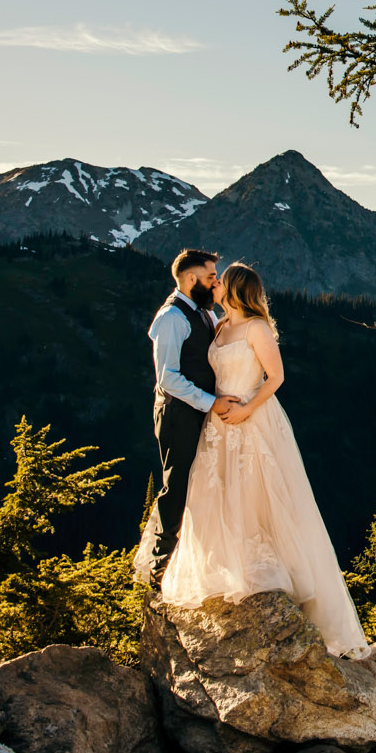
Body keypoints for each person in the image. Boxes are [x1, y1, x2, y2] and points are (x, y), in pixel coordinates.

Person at [144, 260, 372, 658]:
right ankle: (227, 568)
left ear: (232, 289)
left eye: (220, 281)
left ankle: (268, 574)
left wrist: (247, 408)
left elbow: (277, 377)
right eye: (212, 278)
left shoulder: (256, 327)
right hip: (218, 423)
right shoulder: (217, 325)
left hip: (251, 418)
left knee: (258, 493)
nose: (214, 284)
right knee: (216, 493)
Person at [137, 248, 236, 586]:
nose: (215, 283)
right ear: (191, 279)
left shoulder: (203, 314)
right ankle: (161, 562)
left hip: (201, 409)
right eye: (210, 277)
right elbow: (168, 377)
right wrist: (211, 402)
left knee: (202, 479)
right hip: (178, 412)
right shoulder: (171, 318)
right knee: (177, 481)